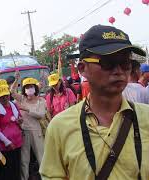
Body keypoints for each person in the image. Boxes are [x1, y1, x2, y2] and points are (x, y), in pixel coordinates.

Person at [40, 25, 149, 179]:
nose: (118, 70)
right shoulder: (60, 127)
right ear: (83, 68)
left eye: (125, 63)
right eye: (108, 62)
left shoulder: (146, 117)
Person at [10, 74, 47, 180]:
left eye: (31, 86)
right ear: (24, 89)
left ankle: (45, 177)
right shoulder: (22, 98)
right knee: (24, 160)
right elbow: (12, 92)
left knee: (42, 157)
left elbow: (41, 115)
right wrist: (16, 79)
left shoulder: (41, 100)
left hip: (37, 132)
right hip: (24, 131)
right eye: (26, 87)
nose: (29, 89)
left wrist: (26, 109)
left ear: (35, 88)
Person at [0, 85, 22, 180]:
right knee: (6, 170)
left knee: (16, 168)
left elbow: (20, 118)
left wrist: (20, 120)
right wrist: (7, 142)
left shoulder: (14, 105)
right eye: (2, 96)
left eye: (6, 95)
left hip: (17, 142)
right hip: (5, 145)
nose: (5, 98)